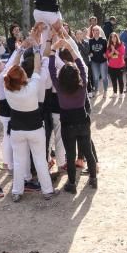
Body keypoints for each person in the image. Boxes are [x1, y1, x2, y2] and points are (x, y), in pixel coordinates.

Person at [48, 28, 98, 193]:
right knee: (88, 152)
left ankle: (71, 183)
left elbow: (50, 68)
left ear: (61, 77)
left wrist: (54, 48)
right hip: (83, 121)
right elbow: (82, 66)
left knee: (70, 155)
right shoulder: (82, 85)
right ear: (77, 75)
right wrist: (69, 47)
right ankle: (93, 178)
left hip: (67, 124)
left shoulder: (59, 88)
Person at [3, 40, 54, 201]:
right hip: (35, 128)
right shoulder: (32, 86)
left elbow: (11, 70)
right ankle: (47, 191)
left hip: (17, 129)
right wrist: (38, 50)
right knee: (40, 160)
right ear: (23, 77)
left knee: (19, 162)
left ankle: (17, 192)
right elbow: (37, 68)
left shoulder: (7, 88)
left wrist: (20, 51)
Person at [87, 25, 109, 96]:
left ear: (99, 32)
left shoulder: (103, 40)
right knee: (95, 77)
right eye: (94, 30)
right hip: (94, 61)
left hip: (103, 61)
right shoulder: (90, 41)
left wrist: (106, 54)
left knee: (104, 77)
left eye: (97, 30)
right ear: (92, 32)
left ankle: (105, 90)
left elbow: (107, 50)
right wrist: (90, 53)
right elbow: (89, 50)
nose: (96, 32)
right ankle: (96, 90)